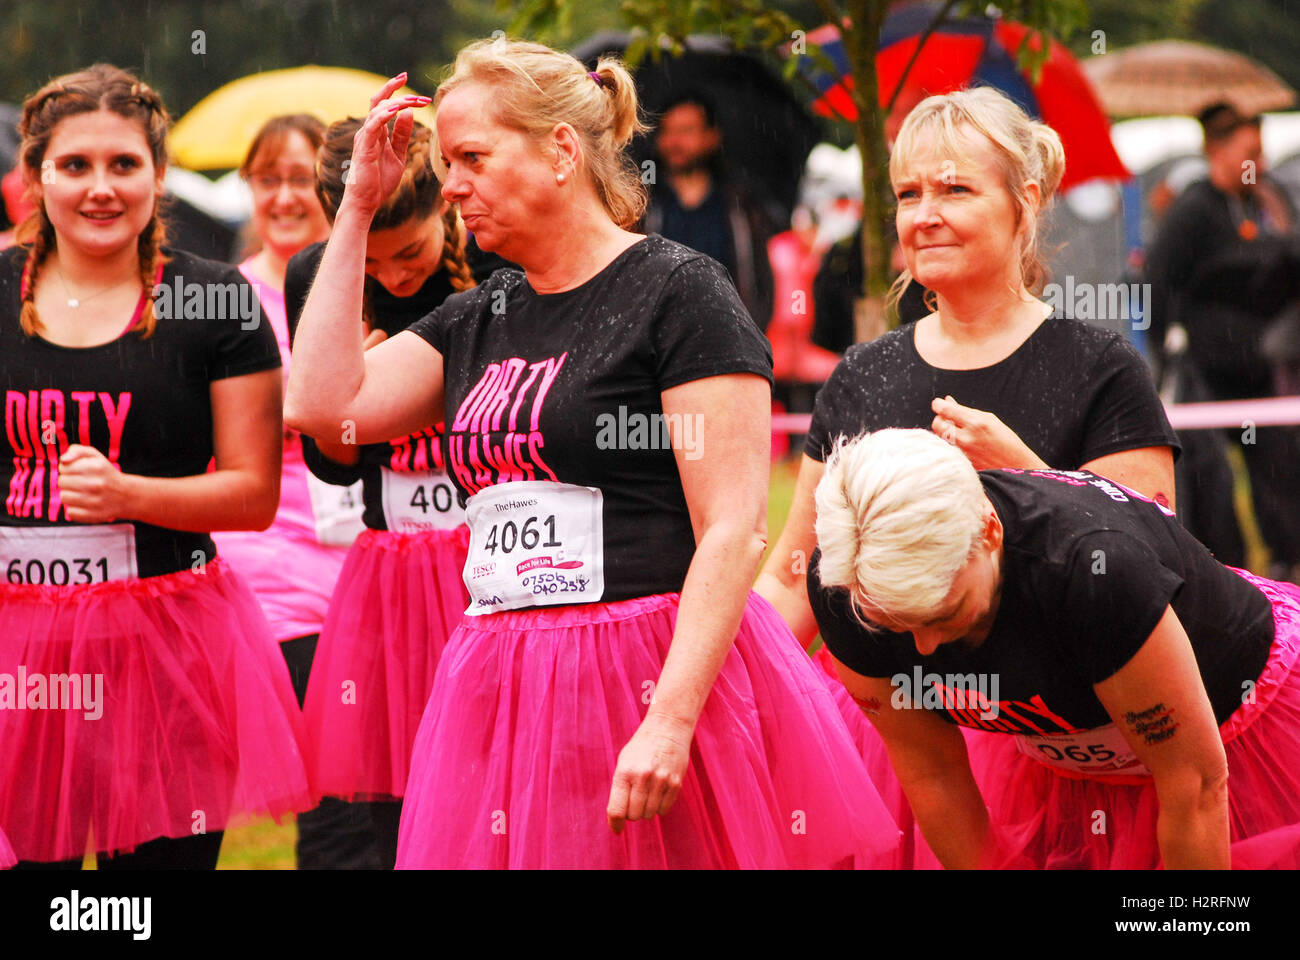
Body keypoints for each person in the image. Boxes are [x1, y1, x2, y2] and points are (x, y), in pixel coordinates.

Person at [286, 42, 898, 869]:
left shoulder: (678, 292)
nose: (453, 184)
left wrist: (672, 717)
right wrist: (357, 205)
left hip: (645, 666)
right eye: (444, 162)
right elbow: (323, 407)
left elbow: (735, 528)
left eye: (472, 157)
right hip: (505, 671)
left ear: (563, 152)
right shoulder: (483, 313)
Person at [755, 86, 1179, 867]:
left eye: (955, 189)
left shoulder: (1096, 366)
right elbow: (794, 572)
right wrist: (717, 685)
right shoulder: (863, 375)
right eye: (909, 193)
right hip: (917, 741)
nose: (925, 215)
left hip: (1074, 740)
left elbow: (1151, 565)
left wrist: (1022, 472)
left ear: (1023, 202)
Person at [0, 64, 310, 869]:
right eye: (74, 166)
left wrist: (127, 493)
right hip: (18, 646)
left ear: (158, 175)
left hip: (166, 636)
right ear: (35, 176)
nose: (100, 189)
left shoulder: (216, 301)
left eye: (124, 165)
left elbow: (251, 496)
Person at [811, 427, 1300, 869]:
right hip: (1068, 761)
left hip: (1241, 731)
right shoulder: (848, 589)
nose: (924, 647)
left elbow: (1194, 785)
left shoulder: (1093, 573)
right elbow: (932, 770)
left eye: (944, 613)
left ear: (989, 532)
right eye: (896, 624)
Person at [287, 113, 478, 869]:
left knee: (488, 776)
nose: (395, 277)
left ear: (448, 212)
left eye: (412, 255)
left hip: (488, 556)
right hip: (391, 568)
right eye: (374, 262)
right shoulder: (318, 275)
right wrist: (350, 399)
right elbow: (331, 465)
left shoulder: (496, 269)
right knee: (395, 803)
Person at [208, 114, 375, 870]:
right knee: (337, 789)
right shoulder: (216, 301)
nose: (281, 198)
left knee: (368, 793)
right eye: (265, 179)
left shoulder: (369, 293)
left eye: (300, 179)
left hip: (365, 564)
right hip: (265, 576)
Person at [1146, 101, 1300, 583]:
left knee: (1280, 467)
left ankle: (1285, 566)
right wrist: (1165, 354)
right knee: (1207, 480)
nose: (1260, 163)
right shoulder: (1193, 210)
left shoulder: (1268, 205)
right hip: (1202, 374)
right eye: (1251, 151)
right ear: (1218, 150)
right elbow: (1154, 282)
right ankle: (1219, 575)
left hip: (1256, 366)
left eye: (1263, 151)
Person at [645, 90, 781, 330]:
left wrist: (751, 331)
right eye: (668, 131)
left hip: (727, 335)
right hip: (658, 341)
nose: (675, 141)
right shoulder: (644, 205)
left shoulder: (740, 206)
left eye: (687, 131)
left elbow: (761, 281)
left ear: (712, 136)